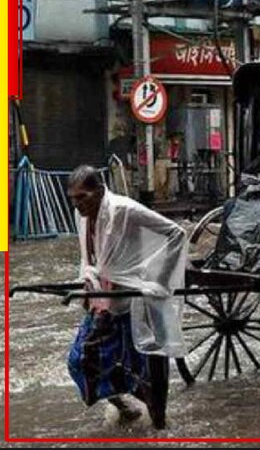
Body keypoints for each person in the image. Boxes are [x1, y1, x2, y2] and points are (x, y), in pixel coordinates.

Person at [66, 165, 187, 430]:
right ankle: (125, 406)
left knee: (146, 370)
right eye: (72, 199)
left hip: (134, 301)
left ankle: (159, 421)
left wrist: (160, 283)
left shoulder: (124, 210)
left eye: (82, 197)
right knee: (81, 362)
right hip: (103, 298)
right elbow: (90, 257)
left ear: (98, 192)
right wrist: (85, 284)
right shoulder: (84, 216)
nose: (77, 205)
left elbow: (176, 234)